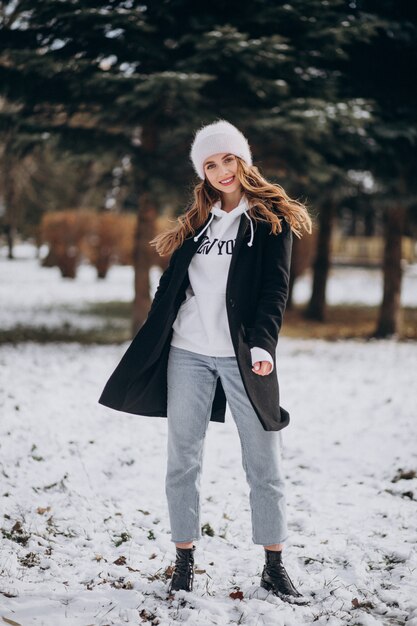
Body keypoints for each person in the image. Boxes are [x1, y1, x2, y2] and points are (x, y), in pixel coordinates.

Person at [98, 119, 312, 604]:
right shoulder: (198, 222)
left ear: (243, 161)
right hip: (187, 352)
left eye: (227, 159)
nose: (221, 170)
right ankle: (185, 562)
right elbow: (173, 284)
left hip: (243, 358)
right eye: (210, 164)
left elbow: (275, 291)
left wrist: (263, 345)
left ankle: (274, 567)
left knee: (264, 462)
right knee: (183, 461)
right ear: (203, 173)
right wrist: (159, 325)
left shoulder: (269, 222)